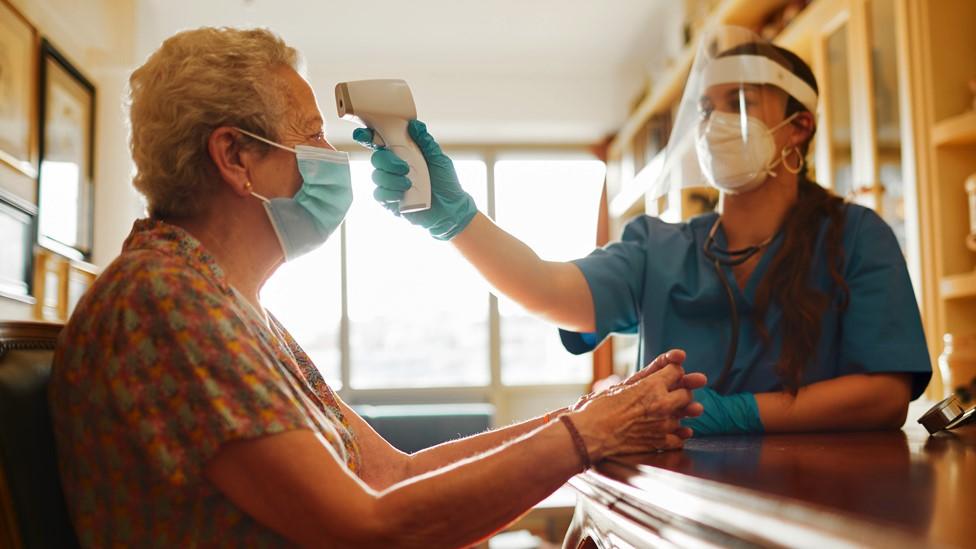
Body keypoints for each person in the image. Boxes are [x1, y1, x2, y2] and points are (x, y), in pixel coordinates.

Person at [48, 27, 706, 547]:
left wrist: (592, 416)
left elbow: (395, 475)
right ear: (235, 156)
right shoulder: (165, 302)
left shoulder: (235, 309)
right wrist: (585, 436)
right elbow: (367, 528)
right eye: (310, 136)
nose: (333, 158)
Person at [358, 27, 931, 437]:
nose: (713, 124)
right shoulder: (659, 247)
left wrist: (741, 412)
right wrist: (456, 219)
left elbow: (884, 396)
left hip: (828, 504)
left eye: (737, 104)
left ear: (798, 127)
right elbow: (550, 289)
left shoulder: (857, 235)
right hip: (676, 498)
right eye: (705, 109)